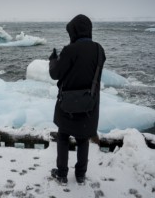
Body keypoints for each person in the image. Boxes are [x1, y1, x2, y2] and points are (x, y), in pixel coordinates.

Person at [48, 14, 106, 185]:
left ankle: (62, 174)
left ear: (74, 31)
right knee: (83, 138)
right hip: (89, 103)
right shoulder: (99, 49)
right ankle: (80, 175)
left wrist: (53, 60)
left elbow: (55, 74)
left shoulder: (70, 50)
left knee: (63, 137)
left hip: (67, 103)